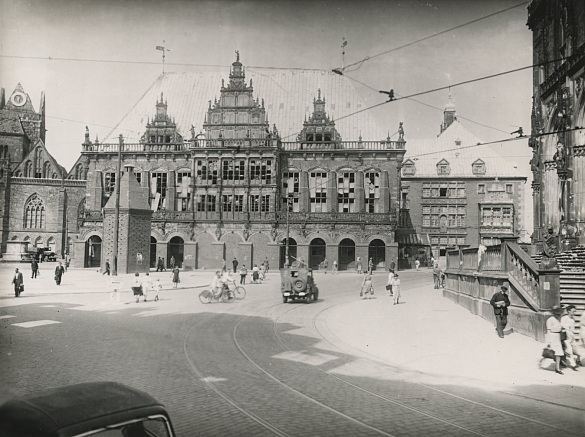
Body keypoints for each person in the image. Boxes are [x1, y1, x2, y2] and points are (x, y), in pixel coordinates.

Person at [546, 305, 565, 374]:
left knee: (558, 352)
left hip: (558, 336)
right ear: (553, 313)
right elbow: (548, 330)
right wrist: (549, 341)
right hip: (552, 336)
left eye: (559, 313)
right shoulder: (550, 320)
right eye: (557, 313)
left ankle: (557, 368)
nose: (558, 314)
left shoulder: (559, 318)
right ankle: (557, 366)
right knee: (553, 352)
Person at [561, 305, 579, 371]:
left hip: (571, 336)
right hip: (566, 336)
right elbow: (562, 326)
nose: (574, 313)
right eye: (573, 311)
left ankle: (563, 361)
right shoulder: (564, 318)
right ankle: (573, 365)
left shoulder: (573, 319)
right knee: (569, 350)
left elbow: (573, 328)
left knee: (574, 350)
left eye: (574, 311)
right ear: (568, 311)